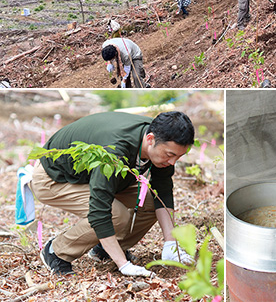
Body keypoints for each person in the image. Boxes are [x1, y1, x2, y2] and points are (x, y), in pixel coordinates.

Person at [33, 111, 195, 276]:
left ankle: (105, 249)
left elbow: (162, 191)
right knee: (116, 214)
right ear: (150, 139)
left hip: (97, 177)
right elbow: (100, 210)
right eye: (170, 155)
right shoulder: (116, 148)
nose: (172, 162)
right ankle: (56, 251)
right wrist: (123, 265)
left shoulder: (161, 138)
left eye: (178, 157)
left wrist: (170, 243)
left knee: (151, 201)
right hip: (53, 177)